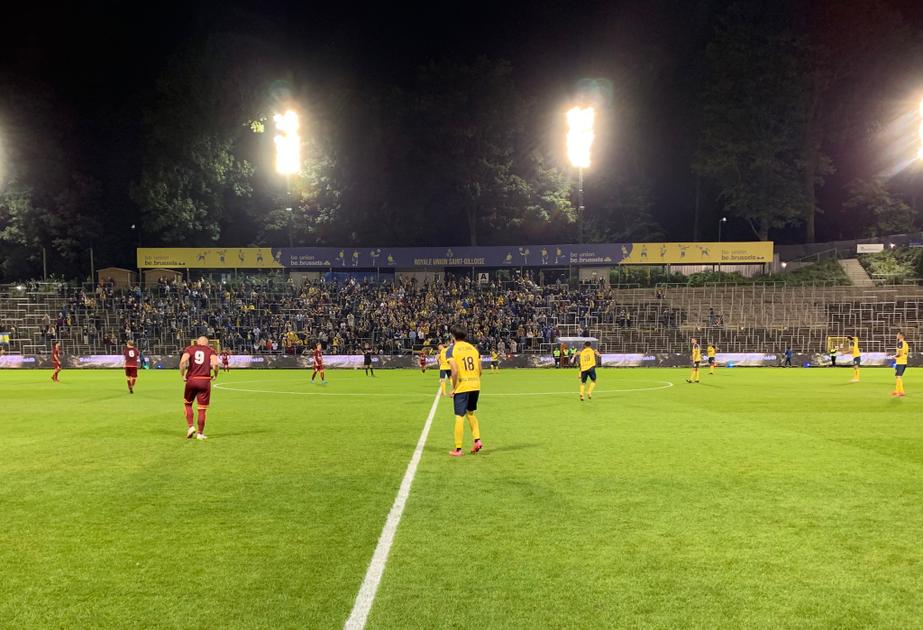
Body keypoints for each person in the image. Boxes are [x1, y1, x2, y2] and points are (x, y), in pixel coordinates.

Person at [446, 325, 483, 457]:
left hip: (462, 386)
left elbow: (454, 371)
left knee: (459, 416)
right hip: (475, 385)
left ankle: (458, 449)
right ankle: (477, 440)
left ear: (453, 336)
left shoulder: (451, 350)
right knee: (470, 413)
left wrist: (454, 388)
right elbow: (480, 370)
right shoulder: (473, 349)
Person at [179, 336, 219, 440]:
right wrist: (215, 375)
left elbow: (183, 362)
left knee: (187, 404)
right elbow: (215, 364)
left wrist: (182, 375)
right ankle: (200, 434)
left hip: (192, 380)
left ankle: (191, 426)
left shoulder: (190, 349)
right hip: (205, 381)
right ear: (207, 343)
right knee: (202, 410)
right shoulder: (211, 350)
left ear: (197, 342)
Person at [892, 331, 909, 398]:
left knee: (898, 376)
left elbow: (900, 354)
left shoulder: (900, 343)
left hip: (900, 362)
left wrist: (894, 356)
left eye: (898, 334)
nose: (897, 335)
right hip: (903, 361)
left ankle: (901, 392)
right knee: (897, 376)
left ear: (901, 336)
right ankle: (897, 391)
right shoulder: (905, 343)